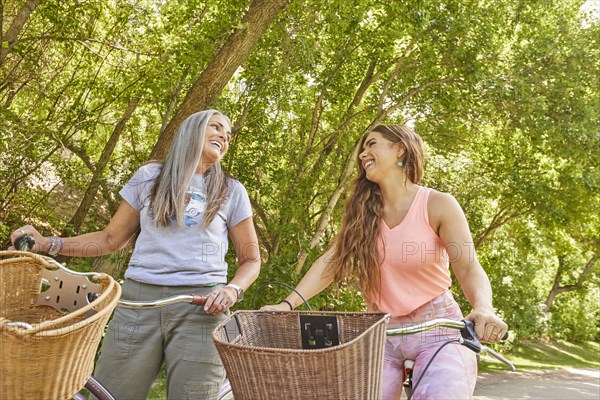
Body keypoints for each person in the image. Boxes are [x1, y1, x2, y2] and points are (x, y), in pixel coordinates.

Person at [10, 110, 261, 400]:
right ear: (193, 129)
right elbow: (109, 239)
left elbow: (251, 259)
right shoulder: (149, 177)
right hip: (138, 303)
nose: (223, 137)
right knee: (110, 394)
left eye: (228, 135)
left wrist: (232, 289)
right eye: (216, 127)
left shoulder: (232, 190)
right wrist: (48, 244)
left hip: (203, 308)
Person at [263, 124, 508, 399]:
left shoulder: (438, 204)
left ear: (399, 149)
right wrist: (286, 305)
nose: (363, 153)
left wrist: (484, 308)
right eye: (363, 147)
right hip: (382, 333)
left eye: (372, 144)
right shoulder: (362, 213)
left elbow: (468, 266)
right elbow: (331, 261)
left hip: (438, 330)